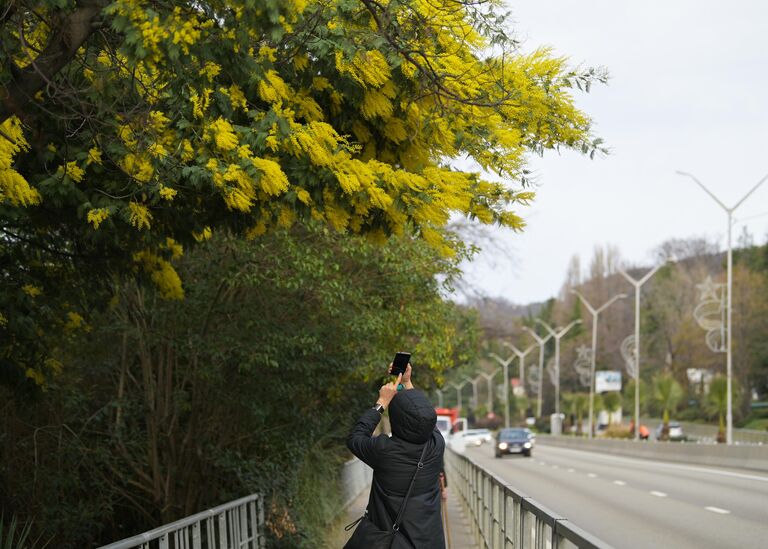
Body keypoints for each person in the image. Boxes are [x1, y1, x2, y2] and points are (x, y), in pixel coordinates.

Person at [346, 363, 446, 548]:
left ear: (397, 419)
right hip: (430, 543)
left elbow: (355, 438)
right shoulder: (437, 445)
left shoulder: (384, 451)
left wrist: (382, 402)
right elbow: (424, 419)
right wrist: (408, 382)